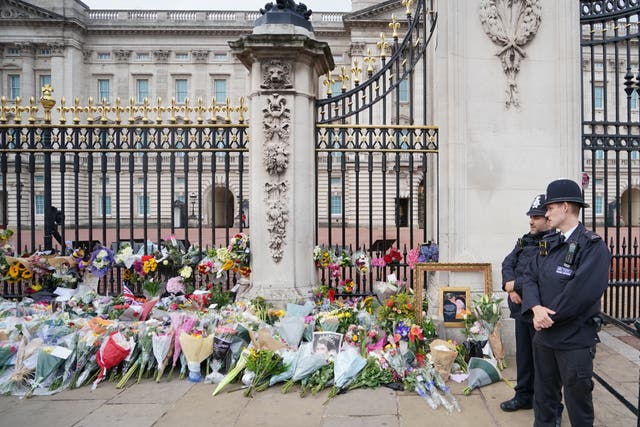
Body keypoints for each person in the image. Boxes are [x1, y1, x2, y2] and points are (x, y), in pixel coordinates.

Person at [521, 179, 611, 427]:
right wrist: (536, 308)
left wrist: (548, 317)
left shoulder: (593, 246)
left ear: (565, 207)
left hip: (574, 340)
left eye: (549, 208)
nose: (546, 214)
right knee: (544, 402)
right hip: (545, 338)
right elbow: (529, 276)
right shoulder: (549, 242)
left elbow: (581, 293)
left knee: (578, 405)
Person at [499, 194, 552, 413]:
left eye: (536, 216)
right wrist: (510, 289)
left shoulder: (552, 243)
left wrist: (514, 287)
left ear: (548, 219)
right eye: (531, 215)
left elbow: (540, 274)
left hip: (539, 311)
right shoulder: (524, 240)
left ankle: (547, 405)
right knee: (524, 358)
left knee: (544, 363)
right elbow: (507, 263)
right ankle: (523, 396)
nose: (531, 220)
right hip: (521, 310)